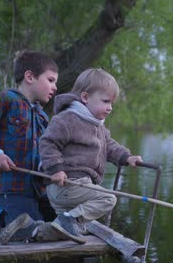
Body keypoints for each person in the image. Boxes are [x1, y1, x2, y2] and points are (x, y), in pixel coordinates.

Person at [0, 50, 80, 244]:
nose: (55, 86)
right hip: (10, 187)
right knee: (27, 229)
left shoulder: (42, 116)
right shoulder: (7, 100)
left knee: (56, 223)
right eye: (50, 80)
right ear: (29, 77)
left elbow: (47, 150)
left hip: (36, 189)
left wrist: (56, 170)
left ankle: (5, 209)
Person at [39, 68, 143, 243]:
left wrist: (126, 157)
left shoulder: (97, 125)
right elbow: (47, 143)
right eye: (105, 101)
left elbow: (109, 146)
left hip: (75, 190)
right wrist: (55, 169)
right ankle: (69, 220)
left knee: (73, 227)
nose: (110, 108)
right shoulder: (67, 119)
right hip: (66, 184)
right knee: (108, 198)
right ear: (85, 97)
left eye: (112, 104)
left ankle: (33, 230)